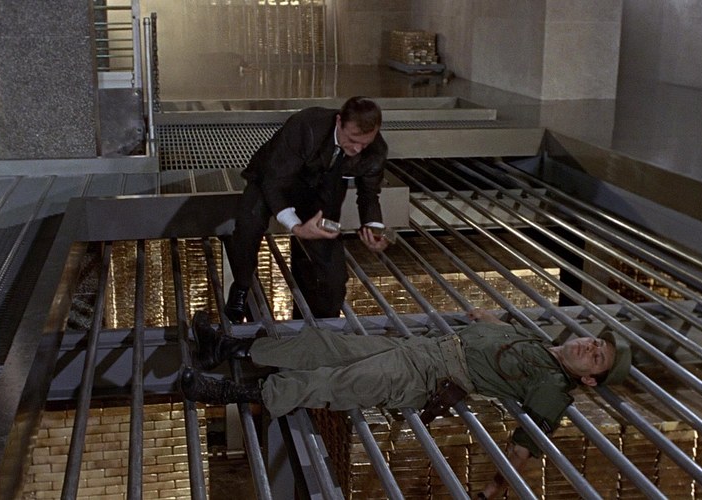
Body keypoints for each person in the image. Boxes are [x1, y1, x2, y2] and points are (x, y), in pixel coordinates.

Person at [180, 308, 632, 498]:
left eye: (596, 357)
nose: (589, 347)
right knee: (325, 345)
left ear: (589, 379)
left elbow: (524, 447)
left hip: (427, 375)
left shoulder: (553, 387)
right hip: (424, 347)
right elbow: (496, 333)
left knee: (337, 382)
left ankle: (229, 393)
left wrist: (494, 490)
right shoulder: (537, 341)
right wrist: (488, 318)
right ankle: (230, 349)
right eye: (596, 341)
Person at [224, 96, 390, 323]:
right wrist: (296, 227)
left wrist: (374, 229)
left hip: (319, 189)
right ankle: (242, 286)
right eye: (352, 140)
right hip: (273, 179)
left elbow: (369, 194)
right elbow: (273, 181)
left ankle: (322, 322)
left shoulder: (376, 150)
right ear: (339, 121)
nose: (357, 149)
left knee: (333, 277)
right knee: (249, 224)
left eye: (365, 144)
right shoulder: (306, 126)